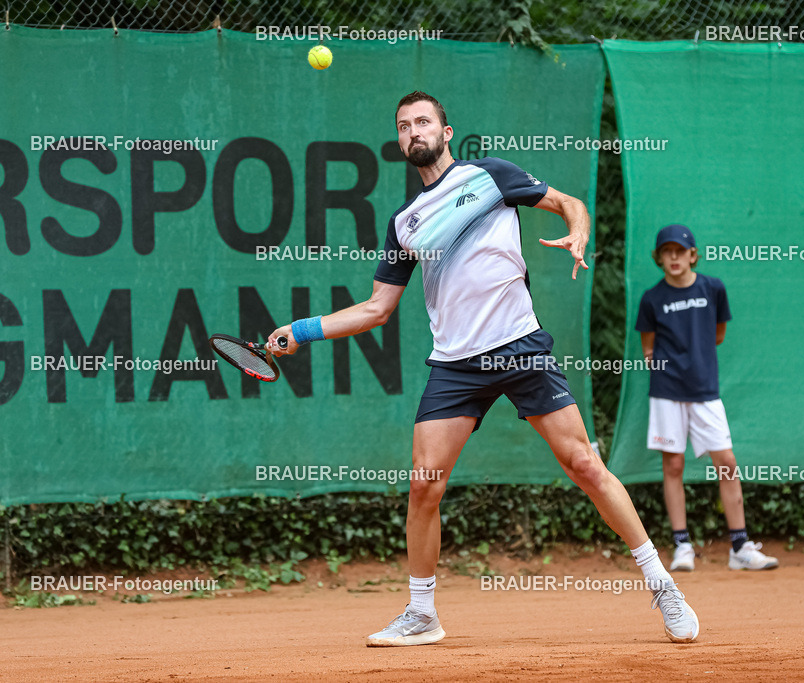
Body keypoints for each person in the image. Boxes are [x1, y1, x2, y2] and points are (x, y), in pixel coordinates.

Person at [267, 92, 698, 645]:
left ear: (447, 133)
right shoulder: (405, 224)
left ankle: (662, 584)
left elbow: (568, 202)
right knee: (424, 486)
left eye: (423, 122)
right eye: (403, 126)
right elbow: (377, 308)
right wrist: (302, 330)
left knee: (584, 463)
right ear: (400, 142)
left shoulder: (491, 176)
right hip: (455, 364)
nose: (413, 131)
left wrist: (578, 230)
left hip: (518, 346)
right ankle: (422, 614)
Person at [636, 224, 778, 573]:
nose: (674, 257)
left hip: (705, 392)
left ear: (692, 255)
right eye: (667, 251)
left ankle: (740, 546)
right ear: (659, 257)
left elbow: (718, 334)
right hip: (667, 392)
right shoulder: (652, 299)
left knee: (727, 462)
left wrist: (694, 362)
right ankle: (682, 546)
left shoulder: (713, 288)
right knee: (674, 465)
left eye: (680, 251)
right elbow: (649, 348)